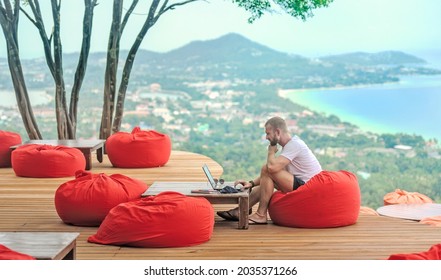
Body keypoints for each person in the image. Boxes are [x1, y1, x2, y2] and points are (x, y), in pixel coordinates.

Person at [217, 116, 322, 224]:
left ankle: (261, 215)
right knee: (268, 173)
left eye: (268, 133)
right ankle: (240, 211)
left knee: (267, 169)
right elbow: (274, 173)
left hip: (309, 188)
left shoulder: (294, 145)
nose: (266, 137)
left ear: (277, 132)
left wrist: (271, 151)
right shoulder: (289, 146)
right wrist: (251, 183)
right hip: (302, 184)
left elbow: (271, 168)